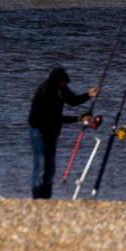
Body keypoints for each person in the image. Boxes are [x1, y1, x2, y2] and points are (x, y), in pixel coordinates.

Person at [28, 66, 100, 199]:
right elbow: (54, 118)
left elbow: (72, 101)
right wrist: (79, 118)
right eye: (62, 84)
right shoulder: (44, 93)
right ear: (56, 82)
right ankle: (37, 198)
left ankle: (46, 197)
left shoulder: (61, 88)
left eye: (65, 84)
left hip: (52, 131)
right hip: (39, 130)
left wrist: (89, 95)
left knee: (51, 167)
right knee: (41, 165)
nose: (64, 86)